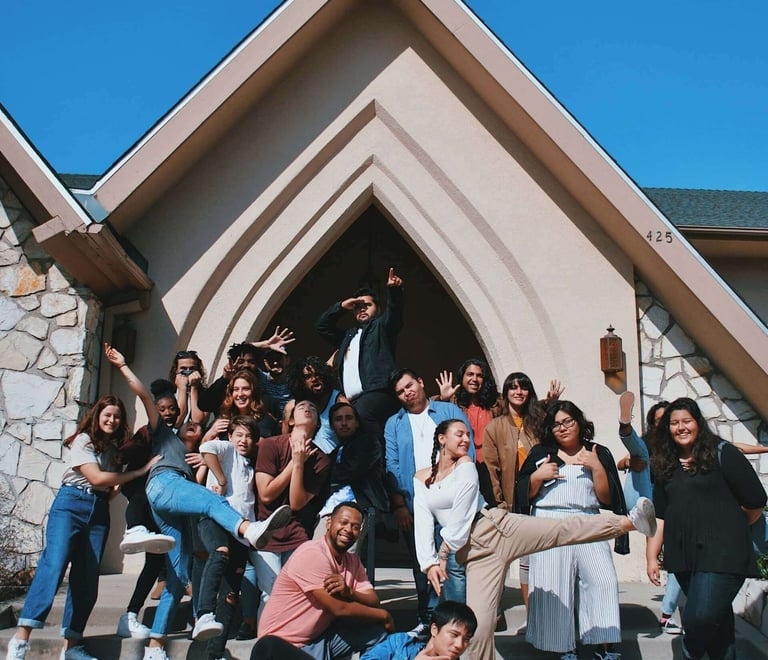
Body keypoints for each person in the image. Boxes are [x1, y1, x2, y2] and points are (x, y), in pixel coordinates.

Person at [105, 344, 292, 660]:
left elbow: (198, 421)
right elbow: (145, 397)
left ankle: (156, 644)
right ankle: (249, 530)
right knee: (211, 503)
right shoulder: (164, 434)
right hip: (165, 484)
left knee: (178, 578)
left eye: (196, 424)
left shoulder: (198, 450)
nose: (195, 425)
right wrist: (123, 365)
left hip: (174, 500)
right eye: (189, 424)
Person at [5, 388, 159, 660]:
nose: (111, 420)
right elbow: (98, 479)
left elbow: (109, 490)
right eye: (107, 415)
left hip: (98, 509)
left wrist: (123, 473)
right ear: (98, 415)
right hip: (71, 504)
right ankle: (21, 638)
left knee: (87, 577)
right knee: (54, 565)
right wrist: (139, 471)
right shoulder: (84, 441)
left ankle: (72, 644)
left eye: (116, 416)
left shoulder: (113, 451)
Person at [646, 397, 767, 660]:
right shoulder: (664, 463)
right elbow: (661, 516)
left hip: (723, 552)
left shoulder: (722, 453)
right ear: (667, 428)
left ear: (698, 423)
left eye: (686, 421)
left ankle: (689, 655)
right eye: (674, 423)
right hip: (684, 556)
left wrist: (732, 526)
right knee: (718, 630)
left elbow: (756, 501)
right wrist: (651, 556)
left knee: (699, 619)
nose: (681, 427)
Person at [516, 401, 627, 660]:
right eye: (556, 424)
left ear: (579, 422)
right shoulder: (541, 453)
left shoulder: (597, 451)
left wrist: (596, 466)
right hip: (550, 522)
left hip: (588, 521)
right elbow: (523, 495)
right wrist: (536, 477)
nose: (563, 428)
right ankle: (565, 648)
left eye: (568, 422)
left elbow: (607, 498)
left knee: (602, 580)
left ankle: (605, 646)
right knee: (555, 584)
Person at [384, 369, 473, 631]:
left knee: (454, 566)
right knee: (423, 563)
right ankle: (428, 619)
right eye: (401, 391)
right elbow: (393, 464)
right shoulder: (394, 423)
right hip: (415, 504)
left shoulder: (448, 412)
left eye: (409, 385)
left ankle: (457, 622)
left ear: (421, 382)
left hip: (450, 501)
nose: (407, 392)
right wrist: (399, 504)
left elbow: (468, 451)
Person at [257, 502, 393, 658]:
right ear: (329, 523)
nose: (348, 530)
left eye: (355, 527)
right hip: (285, 646)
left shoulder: (353, 562)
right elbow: (339, 609)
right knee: (378, 619)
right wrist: (384, 615)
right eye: (343, 522)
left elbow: (373, 600)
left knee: (376, 630)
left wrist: (350, 592)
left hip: (318, 639)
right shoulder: (312, 554)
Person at [482, 371, 560, 609]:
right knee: (511, 556)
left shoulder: (539, 422)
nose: (518, 392)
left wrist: (551, 405)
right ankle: (499, 607)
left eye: (523, 387)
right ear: (505, 394)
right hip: (511, 501)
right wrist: (499, 503)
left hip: (541, 497)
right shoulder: (495, 426)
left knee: (538, 556)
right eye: (513, 387)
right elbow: (491, 467)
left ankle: (540, 610)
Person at [253, 400, 332, 616]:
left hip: (296, 533)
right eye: (301, 407)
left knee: (294, 594)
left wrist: (300, 464)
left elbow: (296, 503)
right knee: (271, 593)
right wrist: (294, 463)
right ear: (290, 420)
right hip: (266, 531)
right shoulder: (271, 445)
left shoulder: (321, 459)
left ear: (317, 423)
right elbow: (266, 494)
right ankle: (266, 646)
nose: (308, 408)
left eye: (313, 408)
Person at [192, 415, 261, 660]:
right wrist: (220, 479)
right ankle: (204, 614)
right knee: (219, 553)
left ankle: (216, 653)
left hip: (241, 534)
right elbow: (206, 448)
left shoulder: (251, 465)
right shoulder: (226, 450)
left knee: (231, 596)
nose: (244, 440)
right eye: (239, 435)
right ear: (230, 436)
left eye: (249, 436)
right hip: (216, 519)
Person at [615, 394, 684, 634]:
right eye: (658, 421)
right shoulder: (646, 445)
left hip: (670, 509)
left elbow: (725, 447)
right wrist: (627, 463)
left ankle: (667, 614)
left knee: (676, 558)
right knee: (641, 456)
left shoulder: (683, 448)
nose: (663, 425)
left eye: (668, 420)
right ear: (652, 424)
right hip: (644, 499)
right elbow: (619, 462)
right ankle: (625, 426)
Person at [315, 268, 404, 431]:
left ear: (377, 308)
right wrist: (342, 306)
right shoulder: (347, 336)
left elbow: (395, 313)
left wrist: (394, 291)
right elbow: (322, 327)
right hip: (353, 401)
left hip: (378, 393)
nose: (362, 309)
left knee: (362, 425)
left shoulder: (380, 327)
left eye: (367, 305)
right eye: (358, 307)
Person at [414, 420, 480, 604]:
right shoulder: (422, 477)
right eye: (459, 434)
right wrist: (429, 563)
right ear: (442, 439)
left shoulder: (465, 464)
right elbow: (423, 521)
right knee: (453, 604)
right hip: (452, 543)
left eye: (468, 435)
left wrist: (443, 551)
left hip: (477, 535)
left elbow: (462, 513)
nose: (466, 439)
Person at [312, 403, 389, 550]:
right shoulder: (336, 451)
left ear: (357, 422)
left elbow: (352, 470)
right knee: (318, 552)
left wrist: (327, 476)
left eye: (348, 418)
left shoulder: (368, 442)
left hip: (359, 505)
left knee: (345, 556)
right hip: (330, 508)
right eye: (338, 419)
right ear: (332, 425)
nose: (344, 423)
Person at [434, 359, 501, 503]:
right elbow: (430, 411)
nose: (474, 379)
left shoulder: (495, 403)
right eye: (470, 374)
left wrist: (547, 403)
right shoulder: (453, 402)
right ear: (462, 377)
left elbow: (518, 405)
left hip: (491, 467)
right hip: (463, 465)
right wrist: (443, 400)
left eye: (479, 375)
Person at [197, 328, 294, 414]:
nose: (246, 365)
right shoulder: (225, 384)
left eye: (251, 362)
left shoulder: (262, 382)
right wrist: (224, 379)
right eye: (241, 361)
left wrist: (267, 345)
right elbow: (204, 405)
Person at [361, 600, 477, 660]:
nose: (460, 645)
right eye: (454, 635)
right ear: (434, 630)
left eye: (466, 639)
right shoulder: (400, 643)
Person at [282, 356, 349, 454]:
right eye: (308, 377)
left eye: (318, 374)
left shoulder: (339, 402)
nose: (314, 379)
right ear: (300, 382)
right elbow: (284, 440)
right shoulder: (292, 407)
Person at [168, 349, 208, 424]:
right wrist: (182, 389)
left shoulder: (206, 394)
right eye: (183, 368)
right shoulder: (167, 393)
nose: (188, 372)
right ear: (176, 370)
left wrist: (194, 388)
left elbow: (197, 421)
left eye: (192, 369)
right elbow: (176, 422)